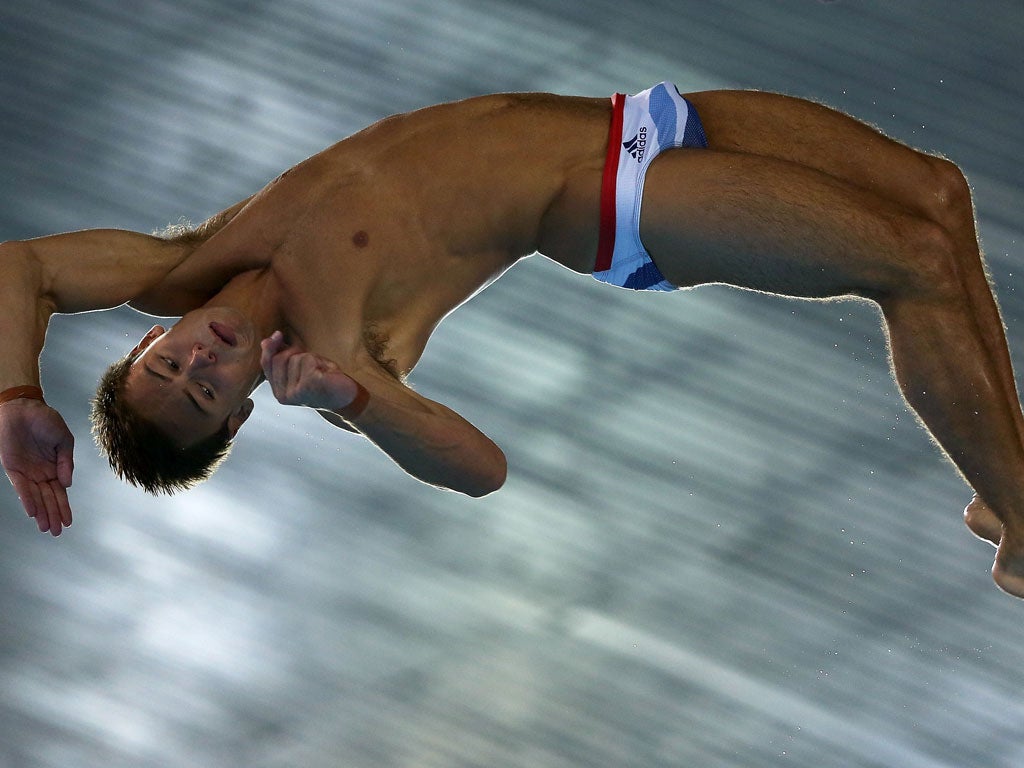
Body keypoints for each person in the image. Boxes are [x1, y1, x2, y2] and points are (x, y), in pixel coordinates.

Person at [1, 82, 1021, 597]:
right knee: (911, 263)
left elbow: (24, 269)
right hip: (616, 200)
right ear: (240, 406)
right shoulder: (337, 353)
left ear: (147, 339)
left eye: (168, 363)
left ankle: (1007, 499)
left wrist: (14, 399)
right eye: (204, 391)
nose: (200, 360)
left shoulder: (182, 264)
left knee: (937, 197)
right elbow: (480, 470)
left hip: (634, 118)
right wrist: (349, 398)